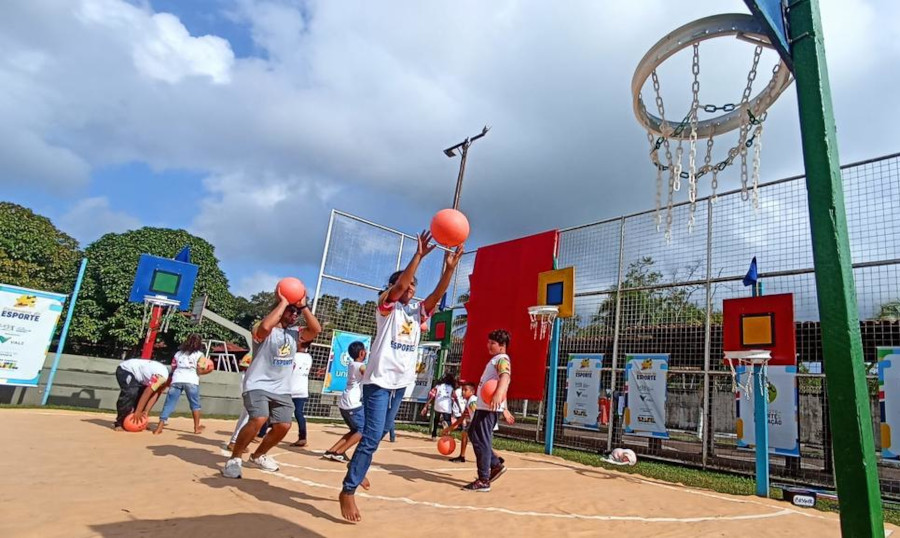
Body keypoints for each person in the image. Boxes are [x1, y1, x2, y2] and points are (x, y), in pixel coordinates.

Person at [339, 231, 463, 522]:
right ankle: (348, 490)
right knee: (371, 435)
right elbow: (400, 286)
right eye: (407, 285)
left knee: (380, 432)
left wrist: (449, 269)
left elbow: (435, 296)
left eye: (413, 287)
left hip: (400, 384)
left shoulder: (416, 313)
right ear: (395, 287)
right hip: (379, 381)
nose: (411, 289)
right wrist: (418, 256)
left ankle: (357, 468)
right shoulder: (387, 307)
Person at [222, 292, 321, 479]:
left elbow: (316, 330)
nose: (294, 315)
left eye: (296, 312)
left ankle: (258, 455)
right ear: (281, 309)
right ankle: (234, 459)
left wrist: (303, 307)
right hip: (257, 384)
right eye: (291, 311)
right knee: (259, 418)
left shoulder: (295, 333)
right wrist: (284, 301)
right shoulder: (262, 327)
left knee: (283, 425)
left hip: (282, 389)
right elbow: (266, 326)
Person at [463, 329, 512, 492]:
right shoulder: (496, 359)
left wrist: (499, 394)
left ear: (502, 345)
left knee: (482, 440)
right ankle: (495, 465)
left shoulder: (502, 359)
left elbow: (505, 376)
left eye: (493, 343)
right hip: (483, 406)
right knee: (473, 433)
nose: (488, 345)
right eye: (488, 342)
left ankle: (484, 479)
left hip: (489, 407)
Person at [153, 333, 206, 435]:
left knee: (169, 403)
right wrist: (207, 371)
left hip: (177, 378)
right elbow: (199, 370)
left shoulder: (178, 353)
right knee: (195, 405)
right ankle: (196, 428)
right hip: (191, 380)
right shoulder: (200, 355)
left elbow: (173, 367)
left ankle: (159, 427)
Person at [323, 341, 367, 463]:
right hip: (352, 404)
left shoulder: (352, 364)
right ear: (362, 352)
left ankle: (333, 450)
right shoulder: (360, 366)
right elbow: (367, 372)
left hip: (346, 403)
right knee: (363, 430)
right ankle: (340, 452)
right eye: (365, 350)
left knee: (355, 430)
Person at [114, 357, 171, 430]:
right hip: (126, 369)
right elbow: (147, 392)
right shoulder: (161, 377)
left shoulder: (165, 381)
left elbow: (155, 395)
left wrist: (145, 412)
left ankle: (136, 421)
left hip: (140, 378)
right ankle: (119, 422)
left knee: (140, 398)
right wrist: (138, 411)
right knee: (131, 392)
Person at [421, 373, 456, 440]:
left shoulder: (438, 386)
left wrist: (426, 406)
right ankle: (446, 431)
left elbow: (431, 396)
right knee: (448, 420)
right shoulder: (451, 388)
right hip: (446, 406)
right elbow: (454, 398)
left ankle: (434, 434)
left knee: (436, 419)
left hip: (438, 405)